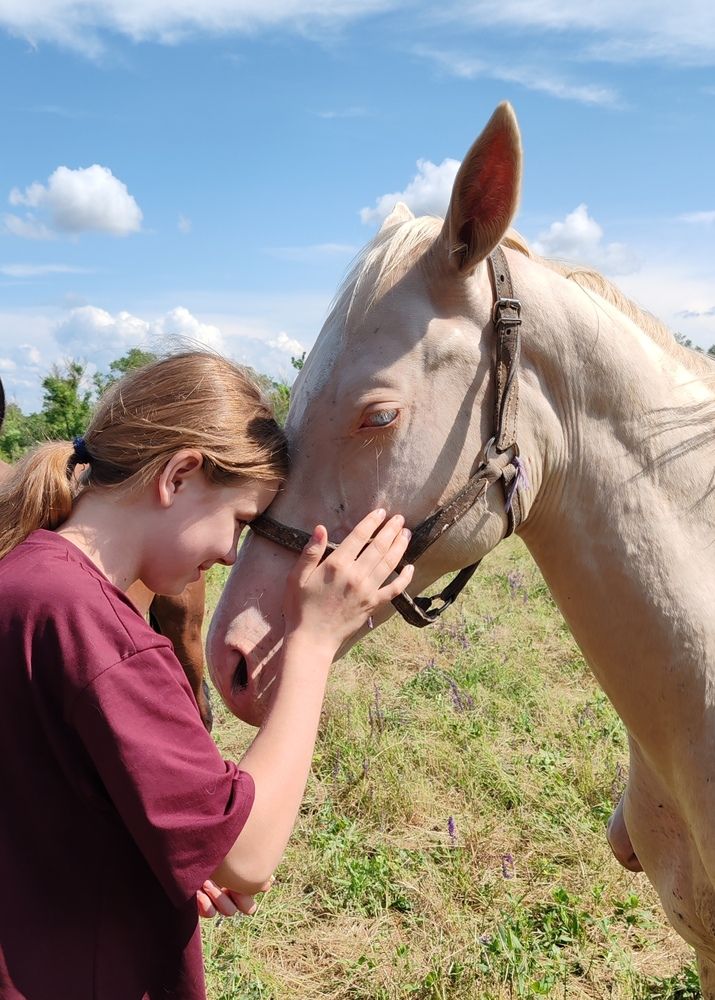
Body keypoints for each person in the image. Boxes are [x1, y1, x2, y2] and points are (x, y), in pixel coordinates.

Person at [0, 350, 414, 1000]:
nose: (228, 554)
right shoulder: (104, 638)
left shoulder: (25, 576)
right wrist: (313, 641)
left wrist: (163, 846)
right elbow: (246, 856)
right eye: (239, 521)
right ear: (180, 475)